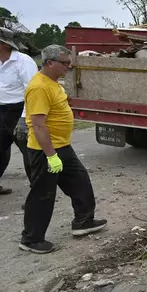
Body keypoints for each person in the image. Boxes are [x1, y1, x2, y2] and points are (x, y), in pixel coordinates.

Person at [20, 45, 107, 254]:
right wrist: (51, 156)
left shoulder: (53, 83)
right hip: (45, 151)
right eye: (65, 63)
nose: (69, 66)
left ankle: (83, 221)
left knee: (80, 182)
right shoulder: (39, 87)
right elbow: (38, 125)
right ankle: (31, 239)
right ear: (50, 63)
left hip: (62, 146)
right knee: (43, 194)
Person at [0, 27, 38, 194]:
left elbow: (33, 92)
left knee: (30, 154)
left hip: (20, 110)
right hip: (2, 111)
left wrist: (24, 119)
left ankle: (36, 194)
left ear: (3, 44)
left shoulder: (24, 62)